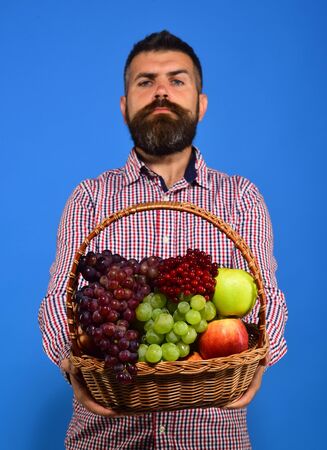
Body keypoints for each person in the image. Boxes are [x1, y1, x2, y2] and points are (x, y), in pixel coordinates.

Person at [39, 30, 288, 449]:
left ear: (200, 104)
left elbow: (268, 298)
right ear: (124, 107)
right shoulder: (90, 197)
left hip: (211, 437)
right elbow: (57, 299)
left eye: (177, 80)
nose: (160, 92)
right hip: (104, 434)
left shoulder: (240, 197)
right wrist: (70, 364)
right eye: (145, 82)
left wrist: (259, 360)